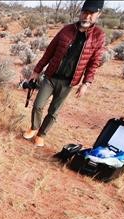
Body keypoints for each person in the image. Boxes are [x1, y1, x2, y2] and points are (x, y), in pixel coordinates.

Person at [23, 0, 106, 148]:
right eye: (85, 12)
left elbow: (94, 62)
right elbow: (50, 51)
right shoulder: (66, 30)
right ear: (81, 12)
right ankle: (34, 127)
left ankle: (41, 135)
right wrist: (37, 70)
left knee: (54, 111)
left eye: (91, 14)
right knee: (38, 105)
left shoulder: (98, 36)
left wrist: (86, 83)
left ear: (98, 15)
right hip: (51, 76)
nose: (87, 17)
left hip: (69, 82)